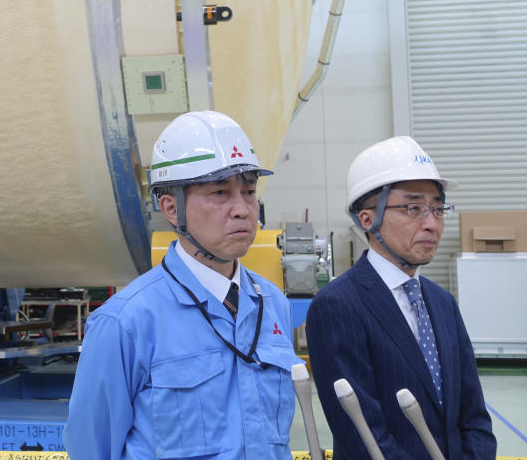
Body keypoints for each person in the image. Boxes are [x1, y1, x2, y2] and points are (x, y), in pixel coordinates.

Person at [63, 111, 300, 459]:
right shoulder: (125, 323)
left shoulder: (273, 304)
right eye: (220, 192)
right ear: (172, 209)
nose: (243, 209)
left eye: (249, 191)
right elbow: (91, 450)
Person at [305, 136, 496, 459]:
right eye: (413, 208)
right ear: (367, 219)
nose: (432, 224)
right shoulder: (338, 306)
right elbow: (361, 434)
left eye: (437, 208)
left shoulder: (442, 303)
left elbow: (473, 415)